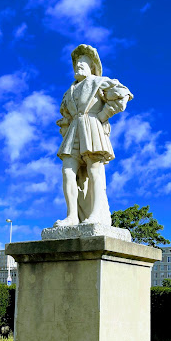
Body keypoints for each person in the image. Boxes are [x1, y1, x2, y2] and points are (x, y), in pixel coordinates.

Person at [54, 44, 133, 227]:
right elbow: (65, 116)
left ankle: (97, 214)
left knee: (95, 170)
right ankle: (72, 216)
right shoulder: (69, 92)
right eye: (76, 64)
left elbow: (123, 94)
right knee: (67, 171)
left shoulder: (99, 81)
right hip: (74, 130)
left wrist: (103, 115)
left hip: (92, 126)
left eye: (83, 64)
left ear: (92, 68)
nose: (78, 67)